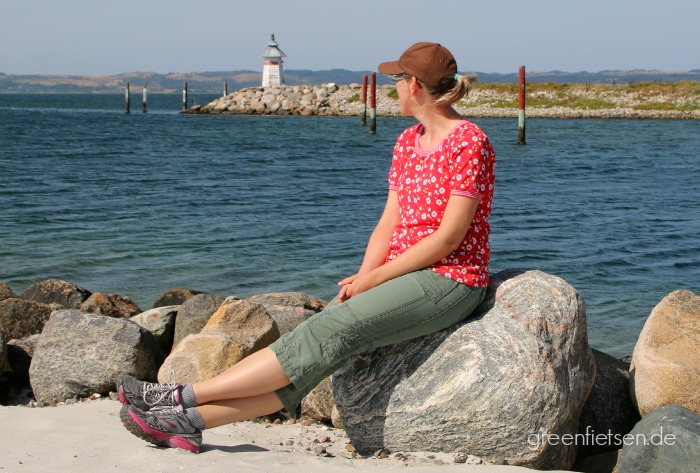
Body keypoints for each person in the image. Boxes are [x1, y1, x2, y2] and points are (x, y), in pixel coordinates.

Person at [118, 41, 496, 453]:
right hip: (401, 273)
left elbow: (448, 238)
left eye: (398, 80)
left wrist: (375, 278)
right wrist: (362, 278)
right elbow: (389, 223)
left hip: (450, 278)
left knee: (327, 330)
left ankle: (178, 397)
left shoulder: (469, 142)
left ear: (416, 86)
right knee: (325, 341)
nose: (394, 89)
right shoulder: (408, 140)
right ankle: (192, 421)